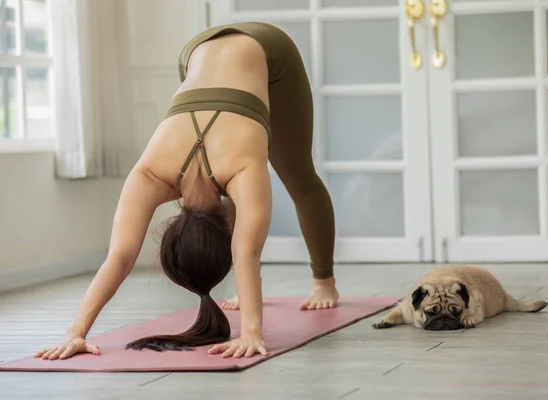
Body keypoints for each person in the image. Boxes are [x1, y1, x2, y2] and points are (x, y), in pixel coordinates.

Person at [34, 22, 338, 361]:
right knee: (267, 201)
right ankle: (312, 282)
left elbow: (246, 252)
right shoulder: (150, 173)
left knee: (299, 176)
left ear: (226, 228)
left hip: (268, 47)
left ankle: (323, 279)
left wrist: (252, 332)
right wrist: (73, 332)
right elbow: (121, 256)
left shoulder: (239, 169)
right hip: (195, 50)